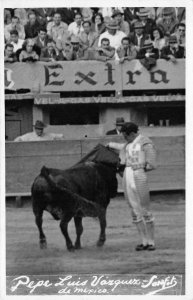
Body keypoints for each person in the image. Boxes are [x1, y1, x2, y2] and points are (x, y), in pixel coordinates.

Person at [108, 122, 157, 251]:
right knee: (135, 210)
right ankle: (144, 241)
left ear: (132, 133)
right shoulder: (128, 144)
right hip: (127, 175)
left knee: (144, 209)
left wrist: (140, 167)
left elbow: (151, 163)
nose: (124, 137)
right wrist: (110, 145)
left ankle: (151, 242)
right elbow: (122, 147)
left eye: (125, 135)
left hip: (138, 175)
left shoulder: (145, 142)